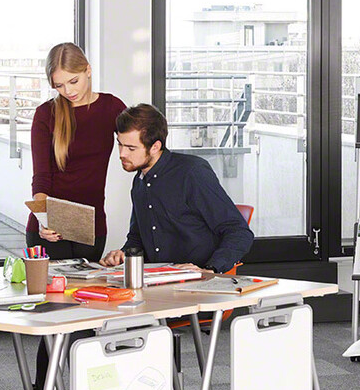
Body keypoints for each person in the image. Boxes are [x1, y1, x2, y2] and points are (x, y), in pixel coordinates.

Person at [26, 43, 126, 390]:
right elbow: (41, 176)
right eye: (59, 85)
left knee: (82, 323)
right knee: (56, 324)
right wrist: (43, 218)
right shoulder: (46, 115)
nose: (68, 91)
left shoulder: (112, 108)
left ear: (88, 70)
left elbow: (137, 144)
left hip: (89, 229)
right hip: (48, 230)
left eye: (73, 81)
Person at [101, 104, 254, 275]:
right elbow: (137, 238)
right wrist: (123, 254)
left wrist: (209, 269)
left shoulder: (192, 172)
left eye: (131, 148)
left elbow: (238, 232)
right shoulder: (140, 181)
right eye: (120, 145)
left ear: (155, 147)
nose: (122, 154)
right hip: (159, 280)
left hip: (198, 279)